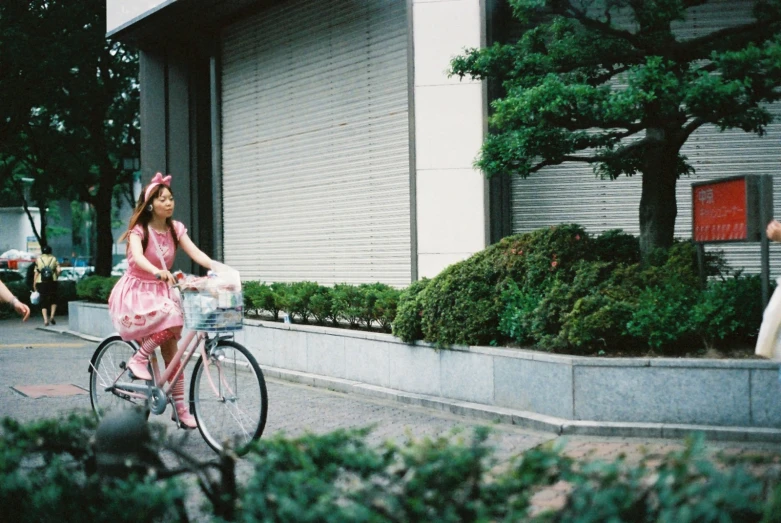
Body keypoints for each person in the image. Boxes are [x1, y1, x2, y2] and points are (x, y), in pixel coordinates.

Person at [108, 172, 213, 429]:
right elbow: (138, 257)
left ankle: (180, 409)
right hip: (137, 293)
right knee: (172, 319)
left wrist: (218, 267)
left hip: (162, 291)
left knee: (173, 355)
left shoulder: (175, 229)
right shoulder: (139, 230)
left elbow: (195, 252)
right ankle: (139, 358)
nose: (169, 203)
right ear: (151, 204)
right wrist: (156, 271)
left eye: (171, 198)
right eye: (163, 199)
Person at [34, 245, 60, 326]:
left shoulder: (38, 259)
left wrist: (34, 283)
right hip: (52, 281)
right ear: (50, 251)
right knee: (53, 299)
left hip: (41, 282)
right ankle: (52, 316)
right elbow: (59, 270)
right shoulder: (54, 259)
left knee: (43, 300)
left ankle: (45, 320)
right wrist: (56, 275)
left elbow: (36, 273)